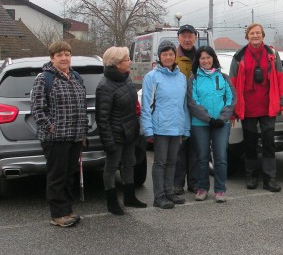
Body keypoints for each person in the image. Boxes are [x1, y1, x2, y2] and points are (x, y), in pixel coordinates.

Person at [229, 23, 283, 192]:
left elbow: (280, 80)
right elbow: (233, 83)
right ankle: (251, 176)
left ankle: (270, 178)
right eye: (252, 33)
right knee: (250, 144)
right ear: (247, 36)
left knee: (268, 143)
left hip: (267, 106)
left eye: (258, 33)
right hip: (248, 107)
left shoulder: (272, 54)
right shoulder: (239, 56)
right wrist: (232, 108)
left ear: (263, 36)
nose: (255, 36)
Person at [31, 41, 88, 227]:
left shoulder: (76, 77)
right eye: (59, 55)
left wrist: (83, 131)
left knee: (70, 174)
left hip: (75, 136)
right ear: (52, 58)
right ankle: (58, 214)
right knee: (57, 176)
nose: (64, 58)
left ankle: (67, 209)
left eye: (67, 54)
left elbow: (82, 107)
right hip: (55, 139)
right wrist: (51, 128)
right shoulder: (44, 78)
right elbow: (38, 109)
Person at [95, 46, 147, 215]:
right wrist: (108, 141)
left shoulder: (126, 79)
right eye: (126, 60)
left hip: (130, 132)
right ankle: (112, 202)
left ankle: (129, 197)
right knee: (111, 168)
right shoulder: (104, 86)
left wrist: (136, 128)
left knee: (129, 164)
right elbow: (102, 117)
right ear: (117, 63)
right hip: (115, 133)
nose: (130, 62)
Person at [141, 40, 190, 209]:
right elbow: (146, 105)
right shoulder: (152, 77)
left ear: (175, 56)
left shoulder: (181, 78)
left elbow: (183, 106)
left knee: (172, 162)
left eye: (171, 54)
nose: (168, 57)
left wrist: (186, 128)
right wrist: (147, 129)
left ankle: (169, 192)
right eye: (164, 54)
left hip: (176, 127)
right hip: (160, 127)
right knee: (160, 162)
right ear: (159, 57)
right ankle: (159, 196)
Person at [187, 46, 236, 203]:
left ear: (213, 58)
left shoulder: (223, 77)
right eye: (202, 58)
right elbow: (193, 102)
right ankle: (202, 188)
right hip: (200, 124)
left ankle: (220, 190)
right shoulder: (193, 78)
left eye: (208, 57)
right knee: (202, 157)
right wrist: (209, 119)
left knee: (221, 157)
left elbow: (231, 99)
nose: (206, 60)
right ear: (198, 61)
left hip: (222, 124)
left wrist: (222, 118)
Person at [173, 24, 199, 195]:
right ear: (179, 38)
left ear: (195, 38)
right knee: (179, 149)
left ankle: (194, 183)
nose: (187, 39)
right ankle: (177, 184)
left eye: (190, 36)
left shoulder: (202, 56)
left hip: (197, 110)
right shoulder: (171, 57)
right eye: (184, 36)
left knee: (196, 148)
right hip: (179, 110)